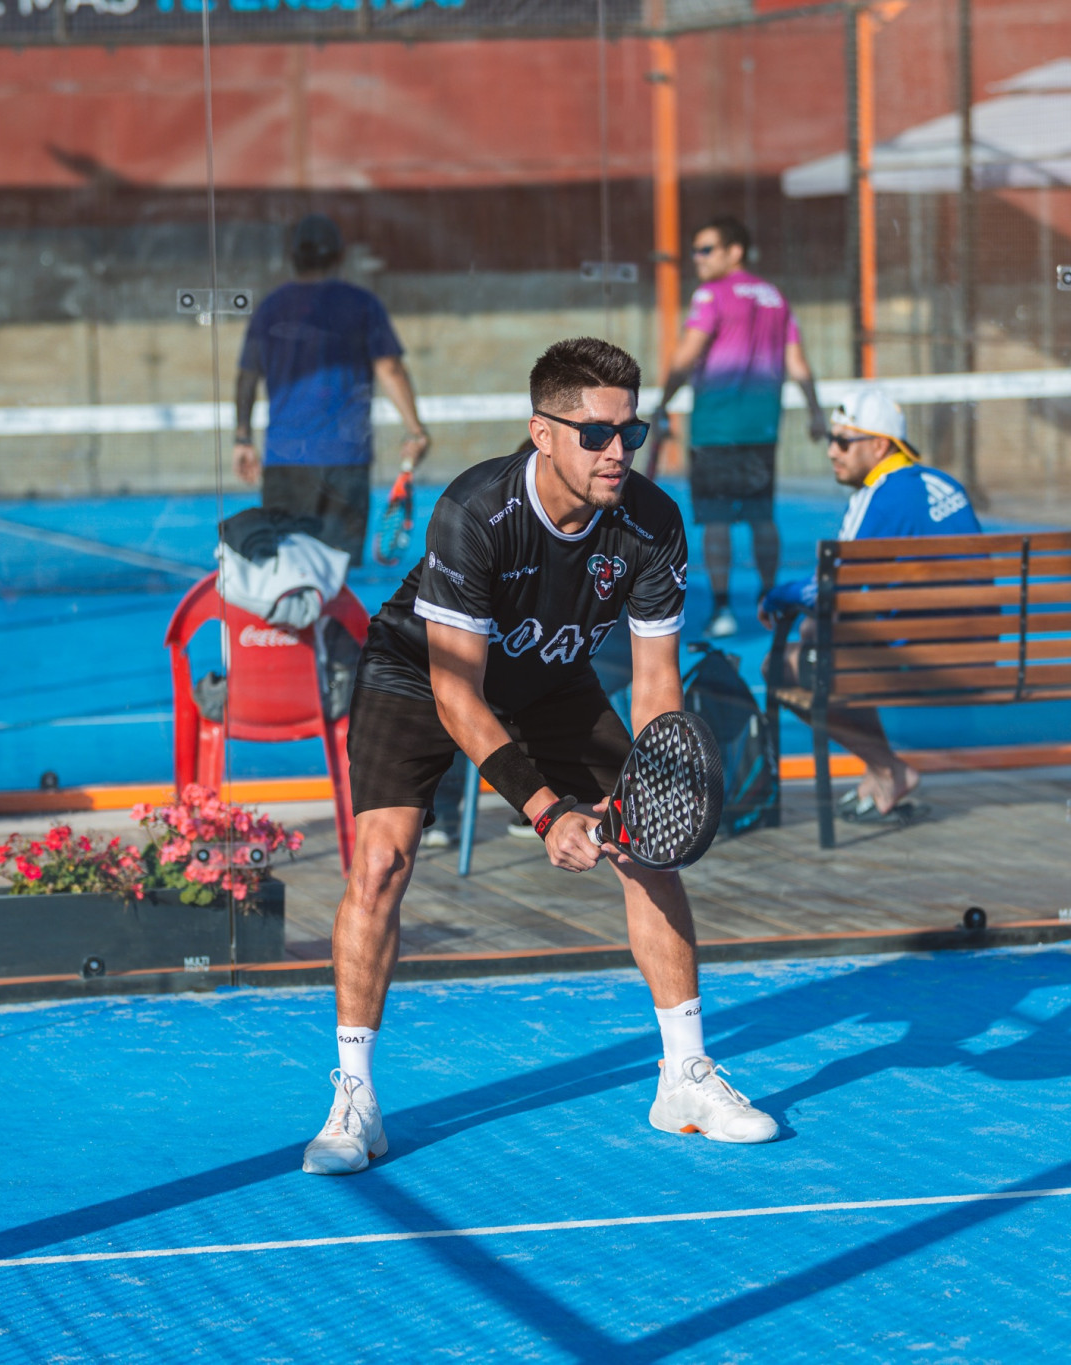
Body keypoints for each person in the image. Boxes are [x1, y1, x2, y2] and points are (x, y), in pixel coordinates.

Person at [303, 338, 778, 1175]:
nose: (616, 451)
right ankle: (354, 1097)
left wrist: (653, 785)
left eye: (630, 432)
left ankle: (684, 1077)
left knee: (648, 852)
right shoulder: (475, 511)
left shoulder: (653, 523)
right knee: (380, 862)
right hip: (420, 673)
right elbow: (459, 694)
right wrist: (547, 810)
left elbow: (655, 686)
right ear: (543, 433)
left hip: (552, 679)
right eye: (595, 434)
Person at [759, 387, 980, 821]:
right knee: (820, 635)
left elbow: (828, 589)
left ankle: (886, 768)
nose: (832, 452)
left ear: (880, 446)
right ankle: (882, 772)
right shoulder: (944, 484)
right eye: (831, 440)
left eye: (843, 442)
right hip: (981, 656)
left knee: (782, 666)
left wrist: (777, 596)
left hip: (921, 664)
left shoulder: (878, 496)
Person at [651, 216, 825, 640]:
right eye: (695, 249)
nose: (697, 257)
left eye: (706, 249)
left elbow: (686, 355)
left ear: (735, 252)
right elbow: (798, 363)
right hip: (762, 427)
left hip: (715, 427)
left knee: (716, 521)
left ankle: (723, 609)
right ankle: (770, 602)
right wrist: (815, 411)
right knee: (761, 517)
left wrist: (663, 402)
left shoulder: (710, 295)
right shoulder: (775, 297)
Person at [233, 214, 430, 565]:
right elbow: (389, 369)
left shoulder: (270, 307)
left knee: (284, 570)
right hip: (346, 461)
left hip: (285, 463)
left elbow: (247, 377)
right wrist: (415, 431)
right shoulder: (363, 304)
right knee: (337, 574)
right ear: (340, 255)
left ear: (292, 256)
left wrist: (243, 439)